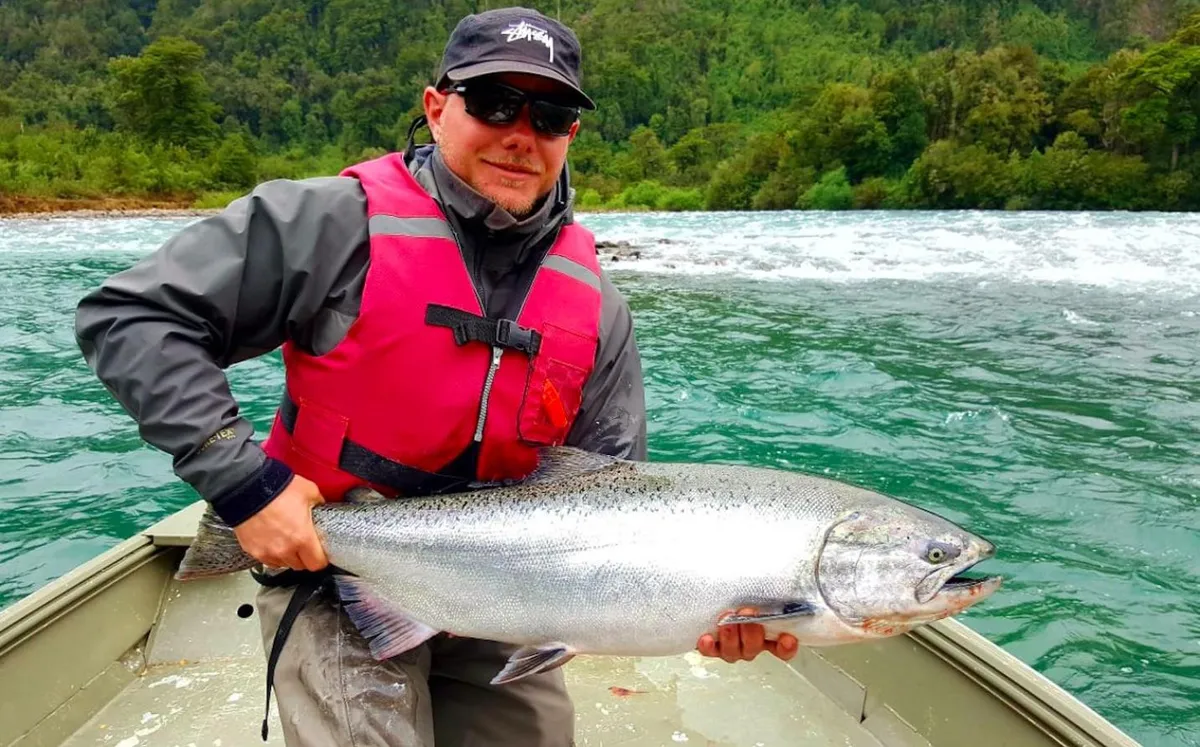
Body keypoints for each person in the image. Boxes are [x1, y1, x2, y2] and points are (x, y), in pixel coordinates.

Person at [74, 7, 797, 746]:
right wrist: (242, 483)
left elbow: (616, 507)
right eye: (493, 103)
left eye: (548, 115)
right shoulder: (329, 224)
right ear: (436, 106)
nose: (521, 133)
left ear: (569, 135)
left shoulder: (599, 309)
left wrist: (700, 610)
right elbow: (131, 317)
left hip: (512, 592)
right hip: (334, 568)